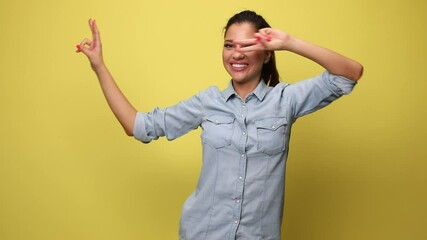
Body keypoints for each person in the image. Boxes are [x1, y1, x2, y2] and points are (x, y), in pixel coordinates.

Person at [77, 10, 363, 240]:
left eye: (247, 46)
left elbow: (349, 74)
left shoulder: (285, 100)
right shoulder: (207, 102)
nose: (236, 54)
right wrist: (99, 66)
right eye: (229, 46)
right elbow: (137, 126)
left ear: (266, 54)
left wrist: (289, 43)